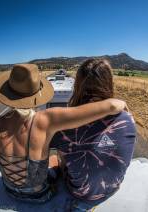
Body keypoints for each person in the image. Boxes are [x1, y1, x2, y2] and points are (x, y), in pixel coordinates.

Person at [0, 64, 127, 203]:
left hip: (9, 191)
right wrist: (120, 103)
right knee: (57, 160)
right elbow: (111, 106)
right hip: (39, 196)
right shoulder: (45, 119)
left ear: (9, 92)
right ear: (37, 92)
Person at [51, 59, 136, 211]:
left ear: (78, 85)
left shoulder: (65, 124)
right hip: (113, 187)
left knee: (54, 157)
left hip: (80, 193)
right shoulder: (128, 118)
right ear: (108, 83)